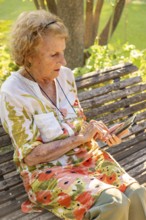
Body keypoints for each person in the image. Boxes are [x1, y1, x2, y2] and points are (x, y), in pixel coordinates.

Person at [0, 10, 145, 220]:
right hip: (48, 174)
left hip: (88, 160)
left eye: (63, 52)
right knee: (113, 202)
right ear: (28, 55)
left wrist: (100, 133)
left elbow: (76, 124)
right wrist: (79, 139)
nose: (64, 61)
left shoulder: (65, 77)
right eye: (54, 55)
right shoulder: (13, 93)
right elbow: (30, 156)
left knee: (138, 194)